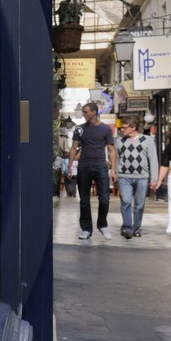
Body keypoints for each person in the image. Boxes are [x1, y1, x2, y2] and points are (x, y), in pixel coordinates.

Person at [70, 102, 116, 239]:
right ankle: (86, 229)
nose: (83, 114)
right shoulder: (79, 129)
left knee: (104, 199)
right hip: (84, 166)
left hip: (100, 166)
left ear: (94, 112)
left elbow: (112, 150)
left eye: (85, 112)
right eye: (83, 112)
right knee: (84, 200)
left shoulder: (106, 129)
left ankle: (102, 225)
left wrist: (113, 170)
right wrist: (70, 166)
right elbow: (73, 148)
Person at [114, 116, 159, 238]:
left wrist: (154, 179)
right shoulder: (119, 141)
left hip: (142, 177)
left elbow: (153, 160)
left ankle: (136, 228)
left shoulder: (147, 140)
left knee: (139, 204)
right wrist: (116, 173)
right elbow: (118, 160)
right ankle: (127, 228)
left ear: (133, 127)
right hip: (124, 177)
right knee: (126, 201)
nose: (121, 130)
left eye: (124, 128)